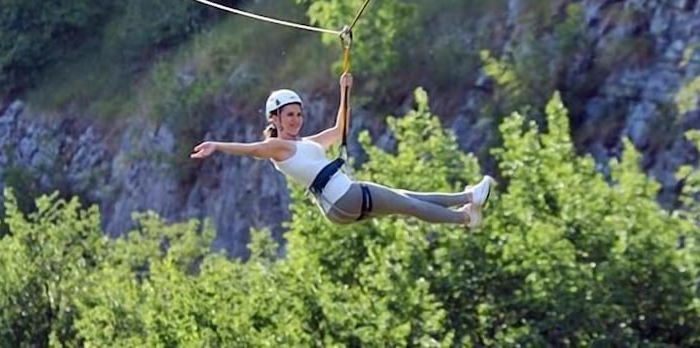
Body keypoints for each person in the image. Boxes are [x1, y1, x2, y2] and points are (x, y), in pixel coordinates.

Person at [190, 72, 496, 228]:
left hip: (340, 207)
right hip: (343, 197)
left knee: (408, 198)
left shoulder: (306, 144)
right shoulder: (279, 146)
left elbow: (339, 131)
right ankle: (466, 218)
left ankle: (469, 199)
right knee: (408, 204)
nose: (296, 120)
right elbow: (255, 150)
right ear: (275, 118)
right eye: (289, 115)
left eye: (298, 114)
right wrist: (218, 145)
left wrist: (344, 91)